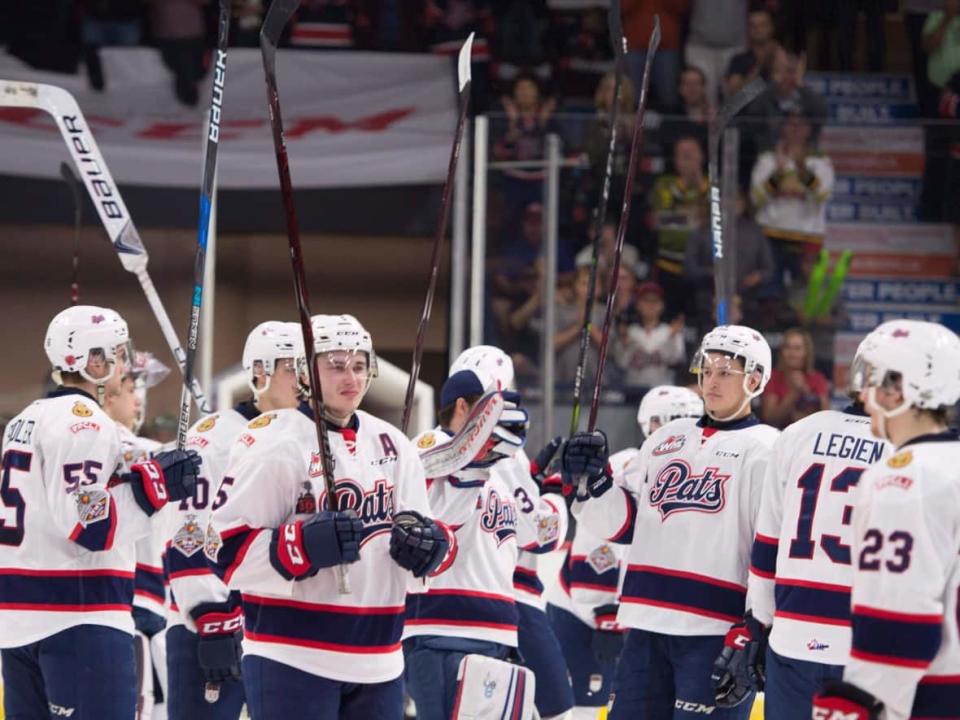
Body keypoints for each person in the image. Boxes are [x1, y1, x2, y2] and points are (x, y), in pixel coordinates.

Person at [206, 314, 453, 720]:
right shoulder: (273, 441)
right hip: (292, 657)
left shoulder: (394, 443)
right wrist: (299, 546)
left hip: (381, 660)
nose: (350, 377)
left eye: (358, 365)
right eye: (336, 365)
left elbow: (422, 537)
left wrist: (430, 548)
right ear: (306, 371)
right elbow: (223, 550)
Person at [563, 324, 779, 719]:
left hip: (715, 632)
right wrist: (592, 484)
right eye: (707, 370)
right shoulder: (665, 440)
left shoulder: (767, 449)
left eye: (725, 373)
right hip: (645, 623)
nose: (711, 382)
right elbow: (626, 524)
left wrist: (757, 629)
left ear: (755, 380)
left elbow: (772, 548)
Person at [0, 306, 200, 720]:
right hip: (77, 617)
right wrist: (155, 489)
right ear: (94, 360)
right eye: (117, 354)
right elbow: (90, 524)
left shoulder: (22, 420)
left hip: (18, 621)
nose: (122, 364)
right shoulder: (86, 423)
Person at [711, 337, 890, 719]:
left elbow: (767, 543)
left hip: (792, 635)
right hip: (867, 645)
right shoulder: (909, 451)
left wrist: (757, 624)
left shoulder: (800, 432)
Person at [811, 319, 960, 720]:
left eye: (872, 378)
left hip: (927, 697)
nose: (862, 391)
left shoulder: (902, 476)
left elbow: (900, 615)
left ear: (900, 389)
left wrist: (860, 698)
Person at [166, 322, 306, 720]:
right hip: (212, 625)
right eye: (292, 368)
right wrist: (210, 615)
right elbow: (187, 532)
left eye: (306, 368)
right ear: (259, 371)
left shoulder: (310, 439)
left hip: (282, 629)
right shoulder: (214, 438)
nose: (303, 380)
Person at [547, 385, 703, 720]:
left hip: (627, 616)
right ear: (650, 423)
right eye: (674, 419)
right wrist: (605, 614)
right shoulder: (630, 462)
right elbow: (596, 539)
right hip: (584, 614)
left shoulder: (695, 468)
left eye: (691, 418)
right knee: (583, 710)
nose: (682, 427)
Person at [449, 345, 573, 720]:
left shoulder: (440, 445)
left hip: (458, 602)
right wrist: (552, 494)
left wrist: (530, 481)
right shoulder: (501, 449)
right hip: (512, 601)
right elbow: (542, 534)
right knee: (557, 708)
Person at [404, 365, 530, 720]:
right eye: (488, 410)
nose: (498, 421)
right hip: (442, 630)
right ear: (463, 406)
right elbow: (437, 524)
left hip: (499, 632)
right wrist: (473, 461)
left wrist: (545, 487)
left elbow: (533, 538)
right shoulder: (429, 446)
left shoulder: (500, 472)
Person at [102, 351, 172, 720]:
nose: (139, 396)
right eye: (131, 387)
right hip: (132, 601)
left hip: (138, 600)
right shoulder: (130, 449)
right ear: (107, 395)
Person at [750, 110, 834, 289]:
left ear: (809, 130)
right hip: (770, 235)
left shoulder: (821, 162)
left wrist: (802, 170)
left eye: (801, 125)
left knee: (804, 295)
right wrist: (778, 174)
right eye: (791, 124)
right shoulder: (767, 159)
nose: (796, 130)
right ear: (783, 128)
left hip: (807, 237)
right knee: (768, 295)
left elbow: (823, 195)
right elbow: (756, 198)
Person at [649, 135, 708, 316]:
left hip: (704, 267)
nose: (689, 159)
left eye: (692, 154)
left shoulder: (713, 185)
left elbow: (715, 218)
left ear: (702, 157)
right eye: (684, 155)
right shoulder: (664, 184)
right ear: (675, 159)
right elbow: (660, 220)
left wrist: (700, 186)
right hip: (669, 265)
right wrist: (694, 217)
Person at [614, 282, 685, 388]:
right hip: (632, 390)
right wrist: (625, 342)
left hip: (662, 389)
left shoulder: (670, 331)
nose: (651, 305)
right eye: (646, 300)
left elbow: (676, 360)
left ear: (662, 305)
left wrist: (671, 337)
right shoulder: (630, 332)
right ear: (638, 305)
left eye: (655, 301)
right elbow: (621, 363)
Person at [761, 328, 830, 429]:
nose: (792, 353)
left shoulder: (817, 379)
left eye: (797, 348)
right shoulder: (772, 377)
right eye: (787, 347)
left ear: (806, 352)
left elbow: (825, 417)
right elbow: (770, 417)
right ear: (781, 351)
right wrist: (794, 392)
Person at [684, 0, 746, 104]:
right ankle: (701, 120)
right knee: (701, 95)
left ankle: (733, 120)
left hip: (735, 46)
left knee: (739, 97)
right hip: (700, 46)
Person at [725, 8, 781, 96]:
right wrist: (760, 64)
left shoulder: (782, 55)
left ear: (771, 27)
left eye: (763, 25)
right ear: (747, 29)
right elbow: (735, 96)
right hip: (752, 107)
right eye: (753, 25)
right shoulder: (738, 60)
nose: (758, 29)